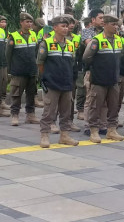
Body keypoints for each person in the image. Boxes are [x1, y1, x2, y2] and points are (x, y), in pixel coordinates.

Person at [37, 16, 79, 148]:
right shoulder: (46, 43)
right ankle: (45, 135)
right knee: (49, 111)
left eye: (67, 26)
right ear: (55, 28)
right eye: (63, 26)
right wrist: (44, 79)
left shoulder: (70, 44)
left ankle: (64, 135)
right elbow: (40, 63)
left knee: (66, 111)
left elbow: (71, 63)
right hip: (52, 83)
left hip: (66, 83)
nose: (66, 29)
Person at [83, 15, 124, 143]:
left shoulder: (118, 39)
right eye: (113, 24)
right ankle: (94, 130)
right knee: (95, 106)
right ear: (105, 25)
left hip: (113, 79)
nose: (116, 27)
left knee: (113, 106)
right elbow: (86, 58)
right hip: (99, 80)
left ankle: (111, 129)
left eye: (117, 24)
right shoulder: (97, 40)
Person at [6, 13, 40, 126]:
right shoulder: (14, 36)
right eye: (27, 22)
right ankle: (14, 115)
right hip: (18, 71)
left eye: (31, 22)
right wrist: (9, 71)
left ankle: (30, 115)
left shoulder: (34, 35)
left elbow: (36, 53)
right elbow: (8, 55)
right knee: (16, 94)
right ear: (21, 22)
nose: (29, 24)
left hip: (31, 70)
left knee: (31, 93)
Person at [81, 9, 104, 135]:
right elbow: (90, 45)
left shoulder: (108, 33)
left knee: (104, 100)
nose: (103, 20)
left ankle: (101, 124)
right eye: (100, 18)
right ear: (93, 20)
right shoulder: (87, 32)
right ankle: (88, 125)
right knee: (91, 99)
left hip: (105, 70)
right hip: (91, 70)